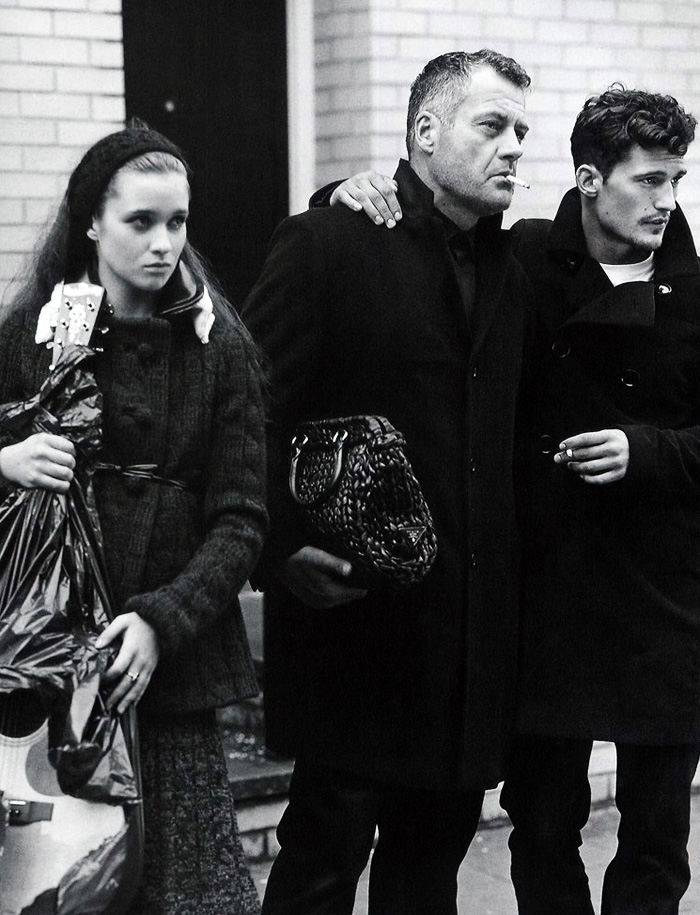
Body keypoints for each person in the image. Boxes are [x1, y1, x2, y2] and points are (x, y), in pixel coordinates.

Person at [331, 86, 700, 915]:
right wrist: (348, 194)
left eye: (676, 179)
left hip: (667, 602)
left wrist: (647, 450)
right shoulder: (523, 257)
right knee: (542, 824)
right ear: (590, 178)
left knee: (656, 837)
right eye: (648, 179)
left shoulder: (696, 293)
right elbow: (428, 245)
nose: (667, 200)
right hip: (547, 595)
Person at [241, 49, 533, 915]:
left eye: (522, 130)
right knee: (320, 869)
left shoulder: (517, 269)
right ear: (426, 131)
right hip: (354, 637)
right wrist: (279, 548)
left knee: (427, 881)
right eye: (493, 125)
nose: (514, 146)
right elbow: (249, 415)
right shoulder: (328, 242)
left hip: (466, 648)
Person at [0, 123, 268, 914]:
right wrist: (5, 459)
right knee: (58, 889)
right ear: (91, 221)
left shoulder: (220, 344)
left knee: (189, 894)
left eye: (177, 222)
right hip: (47, 678)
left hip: (170, 676)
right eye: (140, 221)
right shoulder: (29, 336)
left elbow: (243, 519)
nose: (163, 243)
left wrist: (161, 619)